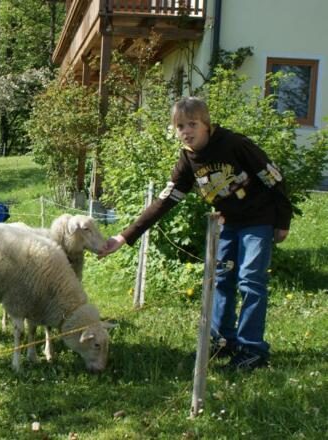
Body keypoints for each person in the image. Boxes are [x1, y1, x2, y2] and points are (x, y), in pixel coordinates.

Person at [102, 97, 291, 371]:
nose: (186, 131)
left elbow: (273, 177)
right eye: (180, 126)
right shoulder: (187, 159)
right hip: (226, 224)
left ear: (206, 125)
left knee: (250, 279)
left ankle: (252, 350)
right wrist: (123, 237)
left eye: (192, 124)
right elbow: (165, 201)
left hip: (258, 220)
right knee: (220, 278)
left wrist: (282, 221)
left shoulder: (234, 144)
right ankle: (222, 341)